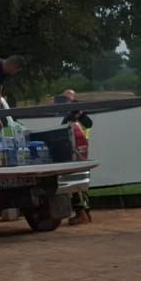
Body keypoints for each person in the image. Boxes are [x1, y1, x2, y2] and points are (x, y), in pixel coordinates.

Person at [55, 89, 94, 225]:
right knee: (81, 184)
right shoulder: (78, 115)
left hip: (76, 153)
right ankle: (85, 213)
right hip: (81, 152)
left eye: (66, 100)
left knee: (76, 185)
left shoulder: (76, 115)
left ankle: (81, 213)